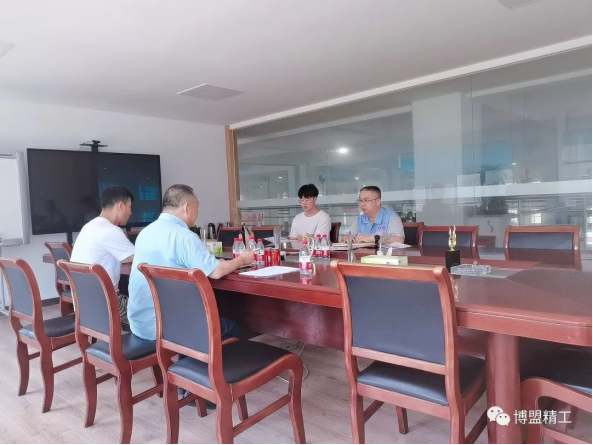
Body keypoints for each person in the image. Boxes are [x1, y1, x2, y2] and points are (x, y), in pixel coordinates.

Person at [127, 184, 253, 342]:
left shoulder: (145, 233)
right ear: (187, 208)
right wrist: (242, 259)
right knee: (233, 327)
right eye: (197, 206)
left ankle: (186, 356)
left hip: (141, 324)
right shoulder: (183, 236)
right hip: (170, 328)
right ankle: (199, 357)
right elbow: (217, 272)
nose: (197, 212)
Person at [71, 187, 135, 328]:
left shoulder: (89, 227)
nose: (131, 212)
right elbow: (140, 259)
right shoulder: (110, 231)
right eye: (130, 207)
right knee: (155, 313)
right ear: (121, 206)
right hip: (106, 303)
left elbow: (122, 257)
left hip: (83, 302)